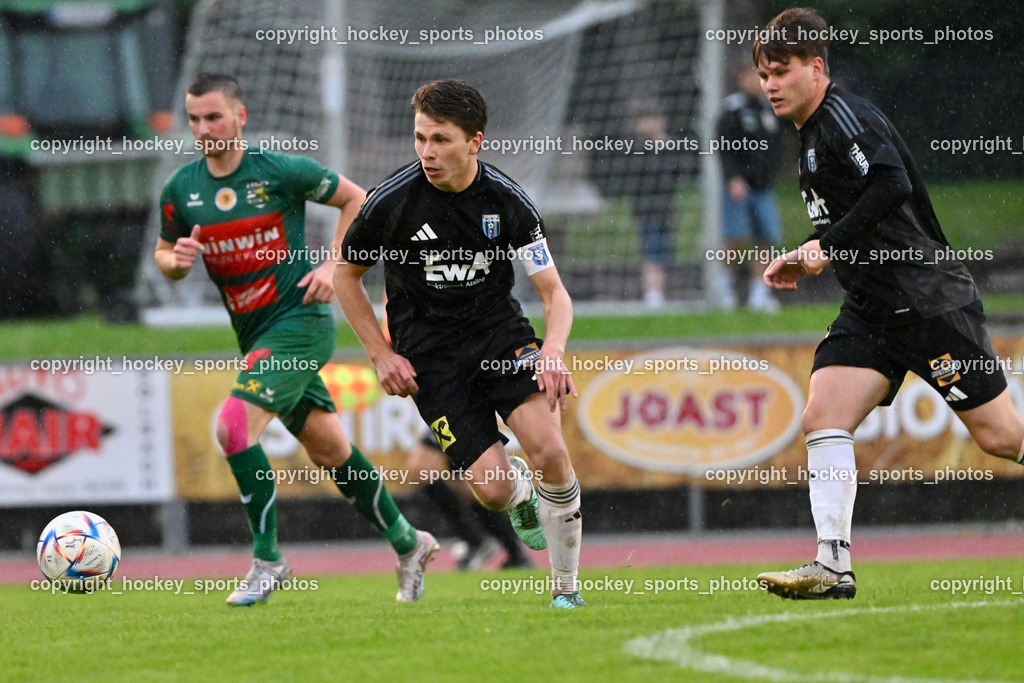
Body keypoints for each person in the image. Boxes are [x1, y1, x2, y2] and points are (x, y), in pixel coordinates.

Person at [753, 8, 1024, 600]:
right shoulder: (811, 135)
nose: (770, 84)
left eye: (781, 71)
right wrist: (807, 251)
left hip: (926, 303)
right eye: (764, 74)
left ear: (816, 68)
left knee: (1002, 438)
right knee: (823, 415)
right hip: (872, 311)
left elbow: (891, 183)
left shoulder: (842, 118)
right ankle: (831, 566)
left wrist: (827, 244)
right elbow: (852, 215)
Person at [155, 73, 438, 606]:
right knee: (330, 450)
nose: (204, 128)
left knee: (233, 426)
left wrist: (333, 265)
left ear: (240, 117)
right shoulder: (181, 189)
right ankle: (410, 542)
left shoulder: (280, 171)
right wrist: (176, 263)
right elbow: (166, 253)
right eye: (194, 119)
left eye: (214, 116)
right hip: (255, 337)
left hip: (301, 324)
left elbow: (357, 200)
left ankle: (268, 561)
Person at [334, 79, 585, 608]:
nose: (427, 152)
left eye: (441, 139)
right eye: (420, 138)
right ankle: (519, 492)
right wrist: (380, 353)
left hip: (502, 341)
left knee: (551, 451)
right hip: (432, 361)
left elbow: (554, 293)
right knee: (492, 492)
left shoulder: (507, 200)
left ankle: (566, 589)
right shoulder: (389, 203)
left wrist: (553, 352)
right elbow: (344, 276)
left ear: (475, 142)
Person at [408, 433, 534, 570]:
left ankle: (484, 543)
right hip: (445, 421)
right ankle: (510, 550)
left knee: (422, 470)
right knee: (464, 487)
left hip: (452, 421)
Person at [716, 65, 784, 312]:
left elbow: (776, 147)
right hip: (739, 186)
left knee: (766, 238)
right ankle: (724, 284)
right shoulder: (732, 110)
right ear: (742, 78)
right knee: (737, 236)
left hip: (763, 186)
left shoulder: (770, 109)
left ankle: (759, 293)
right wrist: (733, 178)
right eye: (753, 77)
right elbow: (724, 148)